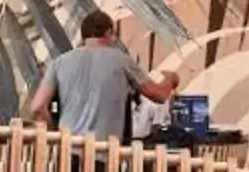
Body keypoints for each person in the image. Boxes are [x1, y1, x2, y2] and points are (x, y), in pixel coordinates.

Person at [24, 10, 178, 140]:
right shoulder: (122, 61)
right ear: (109, 33)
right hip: (104, 152)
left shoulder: (59, 63)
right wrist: (170, 80)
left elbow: (37, 107)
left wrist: (54, 129)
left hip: (68, 151)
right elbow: (158, 95)